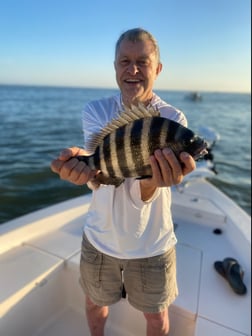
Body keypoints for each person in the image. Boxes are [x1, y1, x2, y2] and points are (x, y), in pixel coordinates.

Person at [51, 28, 196, 336]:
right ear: (115, 67)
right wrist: (83, 169)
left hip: (153, 244)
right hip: (100, 240)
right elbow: (102, 171)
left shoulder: (173, 118)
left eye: (142, 62)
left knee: (157, 320)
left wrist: (152, 182)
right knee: (93, 305)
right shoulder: (96, 110)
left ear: (157, 69)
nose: (132, 69)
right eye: (124, 61)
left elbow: (144, 187)